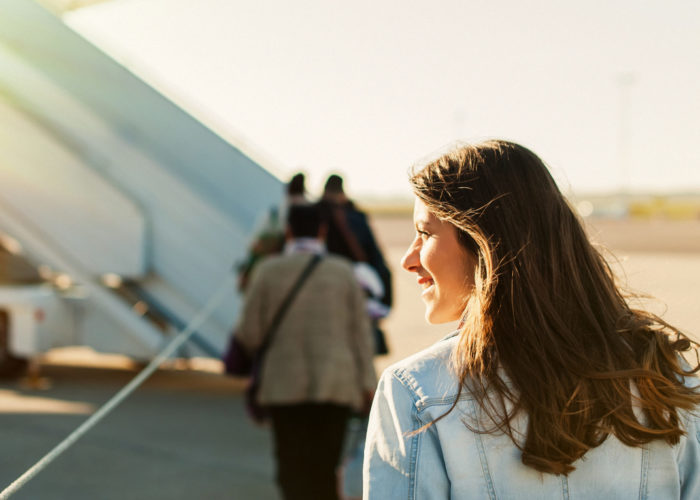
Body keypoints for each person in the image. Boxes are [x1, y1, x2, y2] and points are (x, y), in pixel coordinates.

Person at [363, 140, 700, 498]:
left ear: (486, 241)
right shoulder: (661, 374)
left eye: (425, 233)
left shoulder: (419, 390)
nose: (408, 259)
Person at [235, 204, 376, 500]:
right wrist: (368, 385)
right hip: (336, 385)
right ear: (322, 231)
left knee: (291, 468)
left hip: (284, 386)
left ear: (288, 231)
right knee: (325, 469)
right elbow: (361, 336)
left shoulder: (268, 272)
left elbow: (249, 333)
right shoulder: (343, 273)